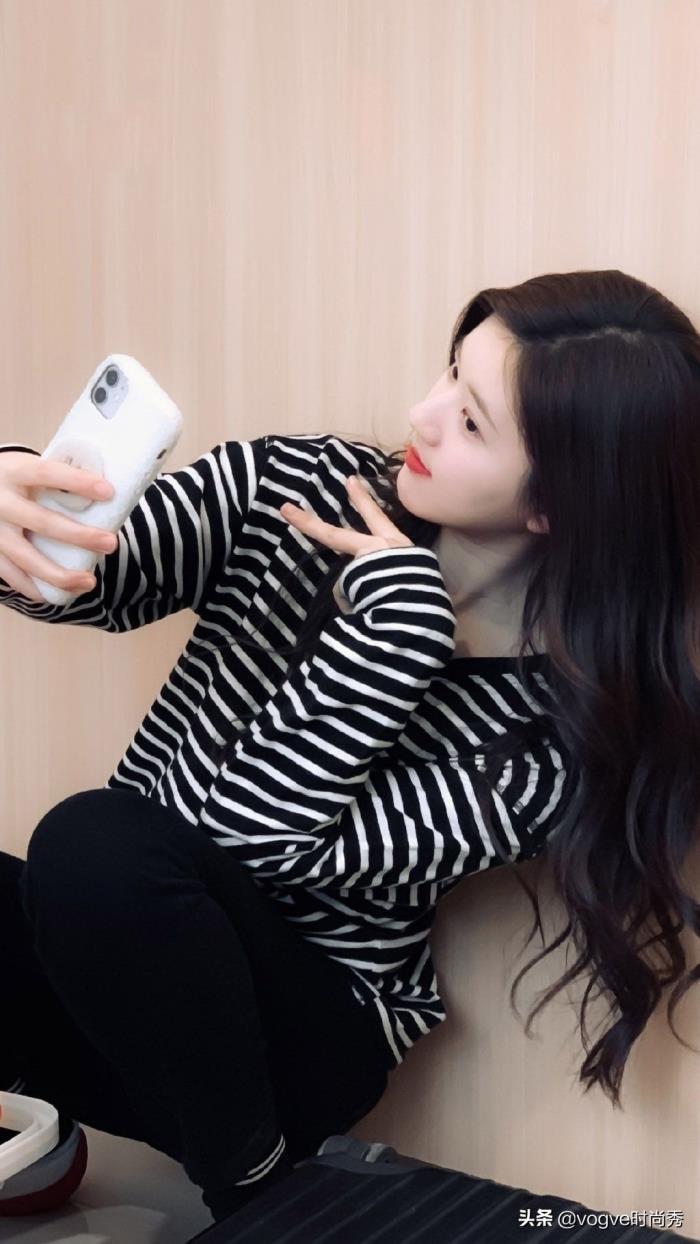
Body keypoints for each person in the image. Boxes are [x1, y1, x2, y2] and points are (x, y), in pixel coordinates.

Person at [1, 266, 698, 1223]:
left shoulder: (554, 743)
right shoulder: (300, 486)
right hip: (125, 979)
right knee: (86, 868)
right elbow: (92, 582)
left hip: (295, 1048)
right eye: (451, 374)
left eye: (471, 421)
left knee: (94, 845)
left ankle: (260, 1197)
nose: (422, 415)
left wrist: (399, 625)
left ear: (559, 502)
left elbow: (254, 838)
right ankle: (35, 1133)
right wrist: (24, 511)